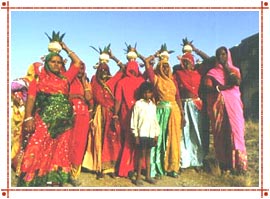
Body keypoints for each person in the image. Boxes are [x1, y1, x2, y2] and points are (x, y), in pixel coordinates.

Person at [17, 42, 82, 186]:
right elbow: (32, 98)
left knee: (60, 152)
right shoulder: (38, 80)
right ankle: (32, 180)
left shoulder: (65, 79)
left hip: (64, 125)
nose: (57, 65)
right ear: (46, 62)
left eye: (59, 62)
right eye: (53, 61)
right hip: (44, 121)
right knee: (37, 147)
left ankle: (55, 181)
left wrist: (65, 47)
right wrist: (28, 117)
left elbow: (77, 63)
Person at [204, 46, 247, 175]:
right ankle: (225, 164)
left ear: (228, 55)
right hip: (219, 107)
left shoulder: (235, 70)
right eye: (219, 55)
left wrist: (226, 67)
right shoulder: (212, 72)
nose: (221, 57)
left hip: (234, 106)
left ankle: (240, 165)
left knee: (236, 132)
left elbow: (236, 82)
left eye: (224, 54)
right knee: (221, 133)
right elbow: (208, 88)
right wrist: (222, 88)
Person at [144, 47, 185, 179]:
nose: (166, 69)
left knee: (173, 139)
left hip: (174, 112)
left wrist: (183, 114)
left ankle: (172, 168)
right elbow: (146, 62)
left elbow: (178, 97)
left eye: (167, 67)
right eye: (163, 67)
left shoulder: (173, 81)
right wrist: (156, 54)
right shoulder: (156, 79)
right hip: (161, 111)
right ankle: (156, 168)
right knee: (159, 139)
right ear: (159, 68)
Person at [83, 49, 124, 179]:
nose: (103, 72)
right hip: (99, 113)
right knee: (98, 140)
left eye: (106, 70)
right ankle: (99, 167)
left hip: (111, 114)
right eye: (101, 70)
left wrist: (113, 57)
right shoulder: (94, 80)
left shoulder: (113, 81)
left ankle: (111, 168)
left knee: (112, 140)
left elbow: (123, 68)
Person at [114, 53, 146, 178]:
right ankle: (139, 166)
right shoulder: (141, 80)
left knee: (128, 140)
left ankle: (127, 167)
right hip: (140, 113)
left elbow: (118, 100)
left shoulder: (122, 82)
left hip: (126, 114)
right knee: (139, 139)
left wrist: (115, 115)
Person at [173, 52, 205, 171]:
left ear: (193, 63)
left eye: (189, 62)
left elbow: (208, 60)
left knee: (196, 132)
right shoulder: (178, 74)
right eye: (184, 62)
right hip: (183, 104)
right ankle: (184, 161)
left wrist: (195, 49)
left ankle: (197, 161)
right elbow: (176, 91)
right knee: (184, 132)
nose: (186, 64)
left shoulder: (198, 74)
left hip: (196, 104)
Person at [68, 62, 93, 186]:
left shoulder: (86, 83)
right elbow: (62, 95)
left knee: (79, 145)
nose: (80, 70)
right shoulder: (67, 81)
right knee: (68, 143)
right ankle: (62, 172)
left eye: (83, 68)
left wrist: (83, 81)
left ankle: (74, 175)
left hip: (83, 117)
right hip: (69, 116)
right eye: (78, 68)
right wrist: (77, 95)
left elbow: (88, 98)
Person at [130, 81, 160, 186]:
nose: (147, 95)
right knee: (141, 155)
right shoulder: (138, 104)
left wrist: (156, 134)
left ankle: (148, 176)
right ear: (142, 93)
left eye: (149, 92)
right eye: (145, 93)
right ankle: (138, 177)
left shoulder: (153, 105)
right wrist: (136, 135)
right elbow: (134, 120)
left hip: (151, 134)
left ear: (152, 93)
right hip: (142, 133)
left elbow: (155, 120)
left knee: (148, 154)